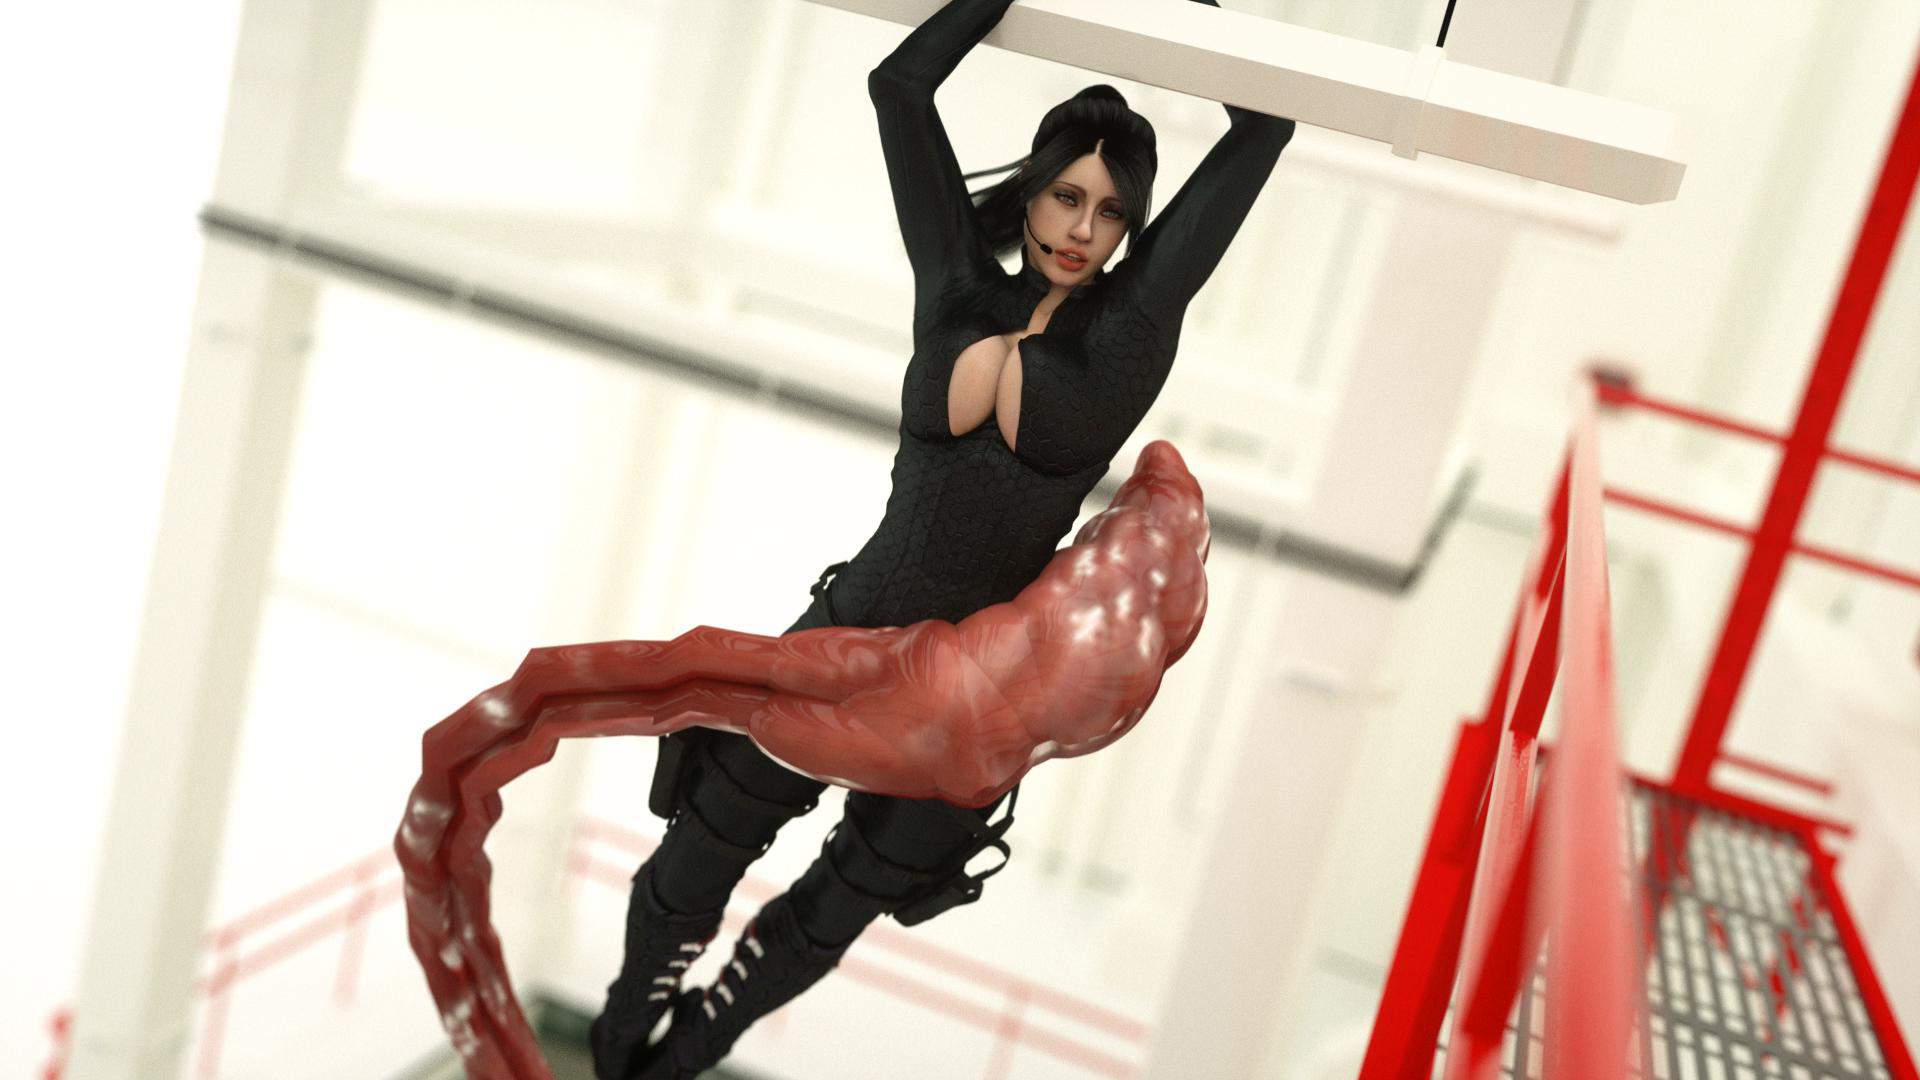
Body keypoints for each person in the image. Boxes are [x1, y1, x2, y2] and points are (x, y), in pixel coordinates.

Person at [592, 0, 1295, 1075]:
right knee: (701, 847)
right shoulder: (958, 286)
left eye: (1111, 212)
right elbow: (899, 89)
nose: (1081, 229)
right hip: (851, 628)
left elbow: (1264, 126)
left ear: (1131, 231)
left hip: (978, 691)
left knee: (837, 907)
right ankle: (621, 1023)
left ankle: (695, 1043)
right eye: (1067, 196)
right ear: (1036, 191)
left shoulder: (1134, 329)